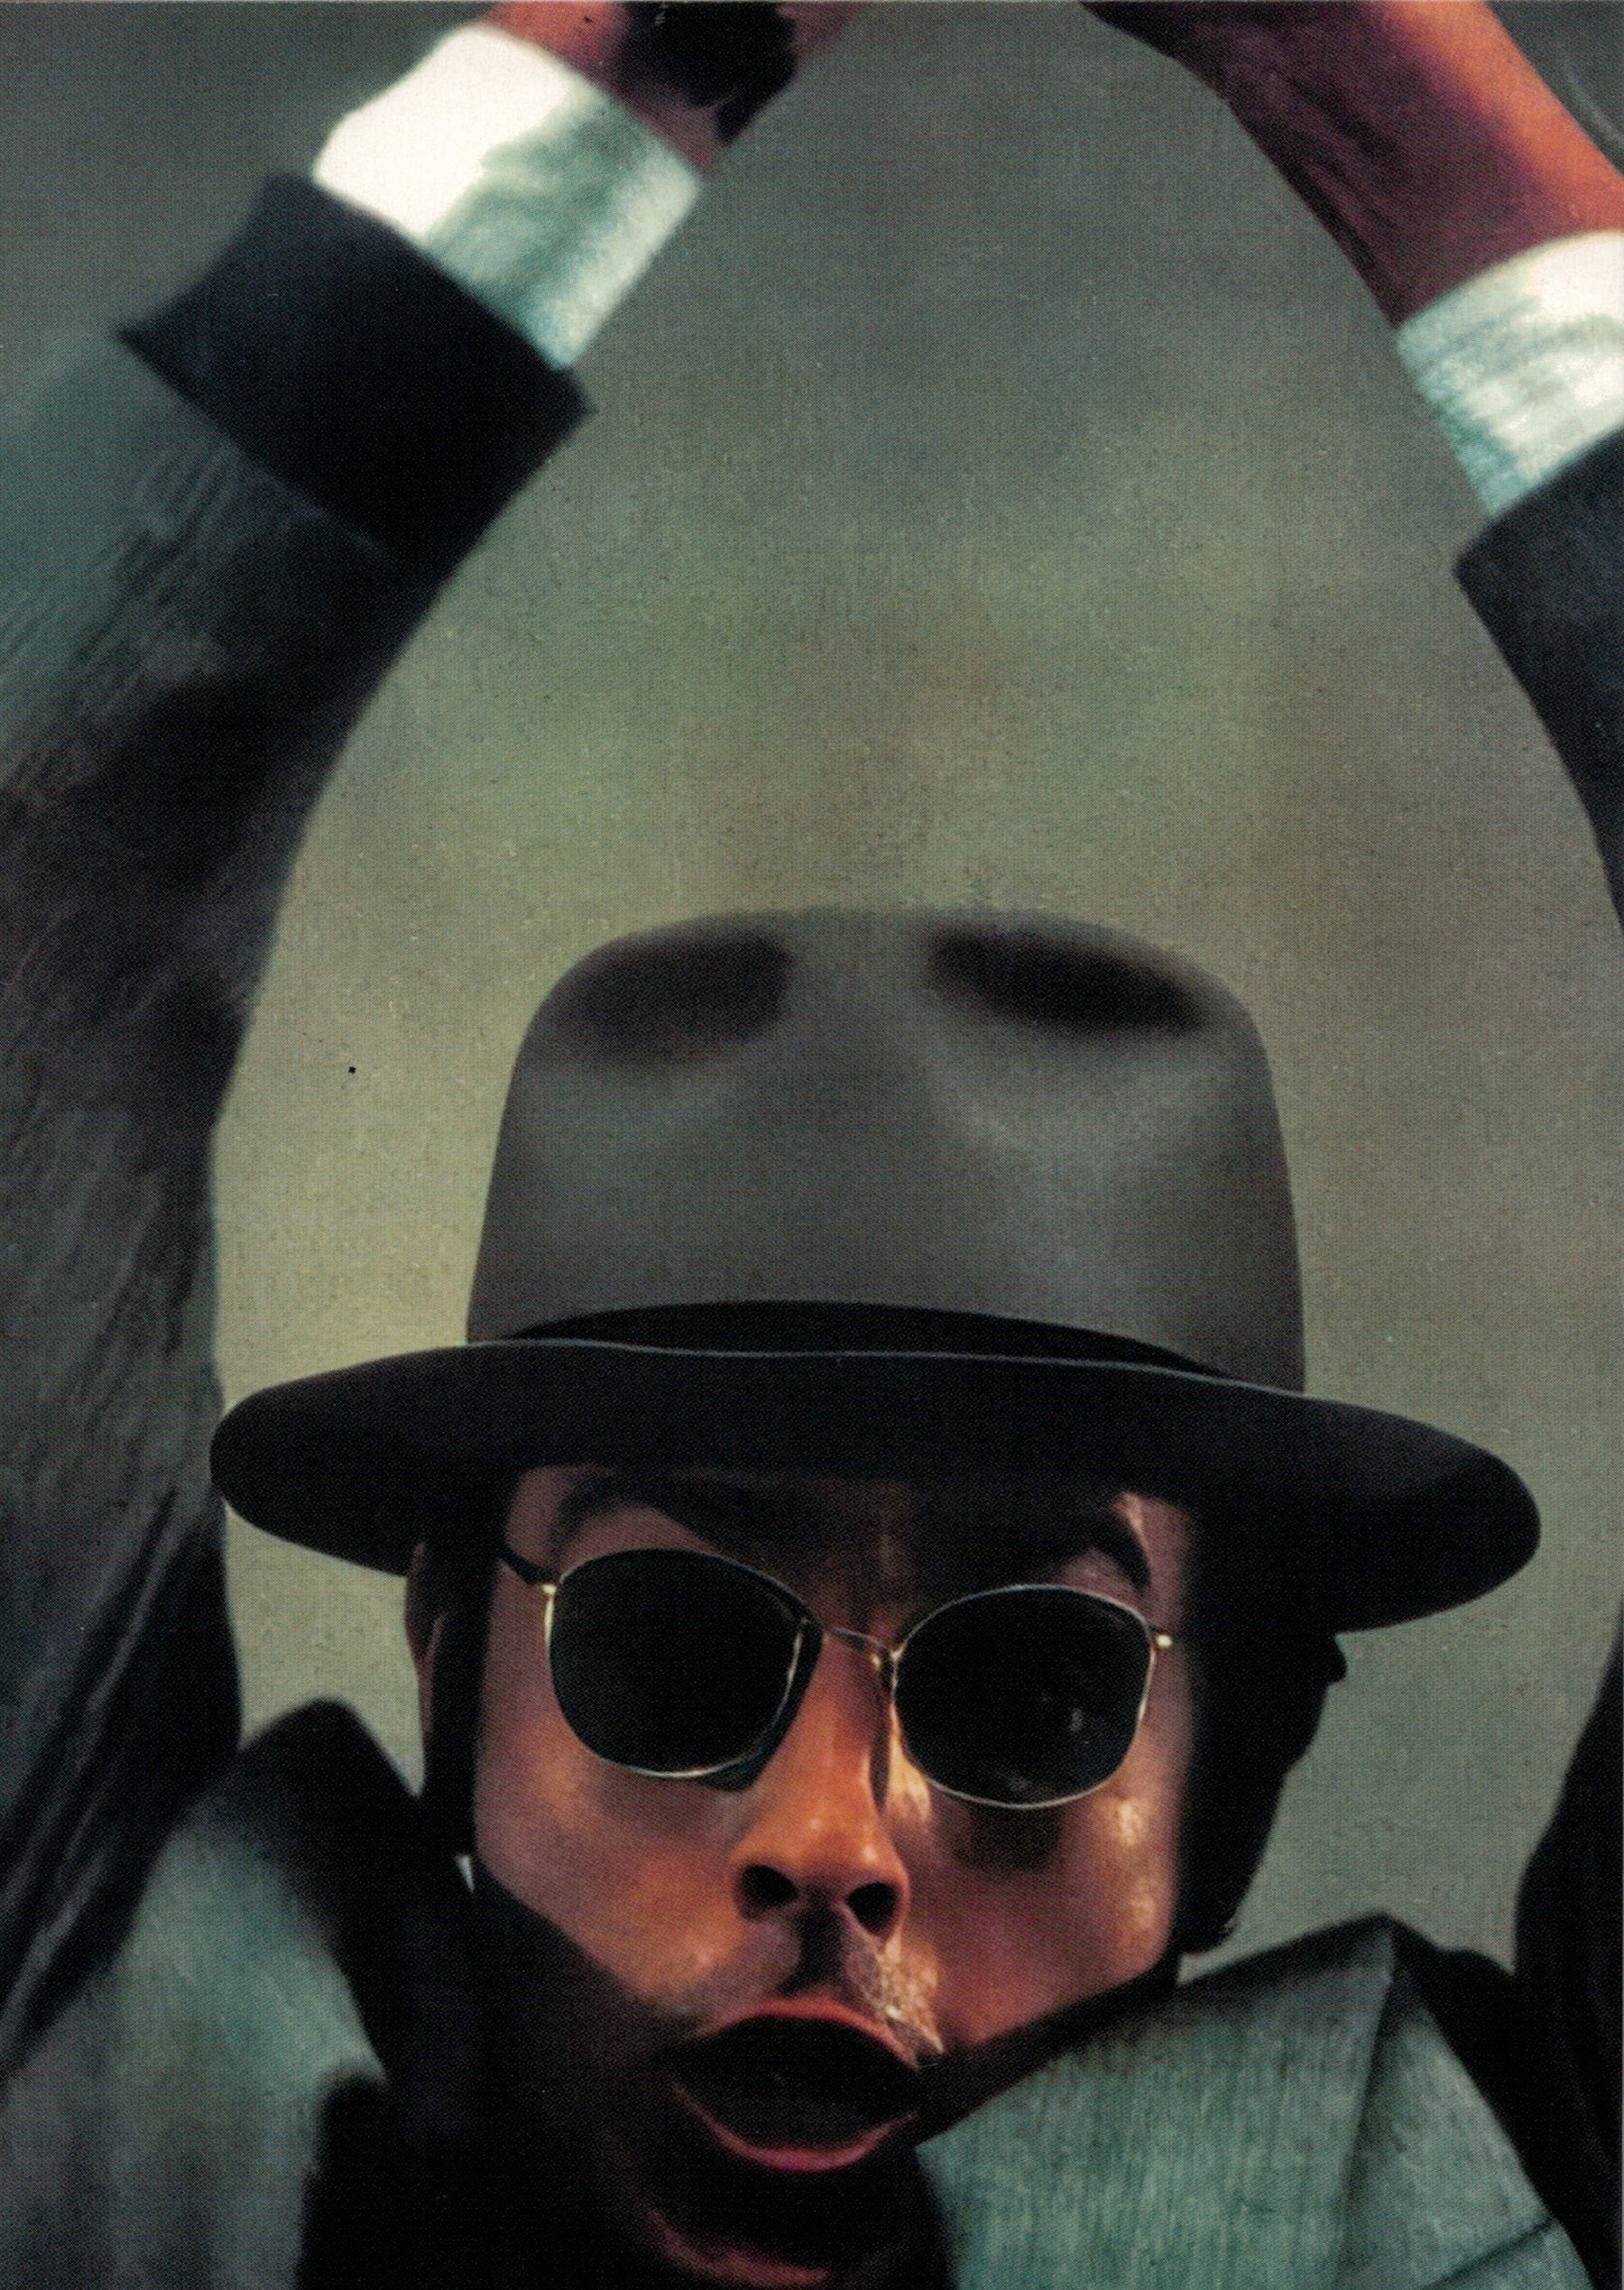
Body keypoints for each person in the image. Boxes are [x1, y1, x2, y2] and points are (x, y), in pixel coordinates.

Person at [0, 5, 1617, 2287]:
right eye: (665, 1648)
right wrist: (611, 78)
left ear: (1240, 1775)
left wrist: (1419, 122)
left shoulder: (1518, 2192)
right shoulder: (116, 2126)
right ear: (453, 1673)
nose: (830, 1846)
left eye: (1035, 1691)